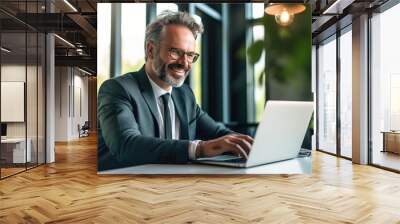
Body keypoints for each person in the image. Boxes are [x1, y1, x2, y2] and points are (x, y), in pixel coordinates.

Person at [97, 10, 253, 171]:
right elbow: (126, 146)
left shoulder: (185, 95)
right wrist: (199, 149)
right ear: (150, 50)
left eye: (190, 55)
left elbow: (219, 133)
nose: (185, 63)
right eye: (175, 52)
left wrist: (250, 144)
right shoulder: (117, 90)